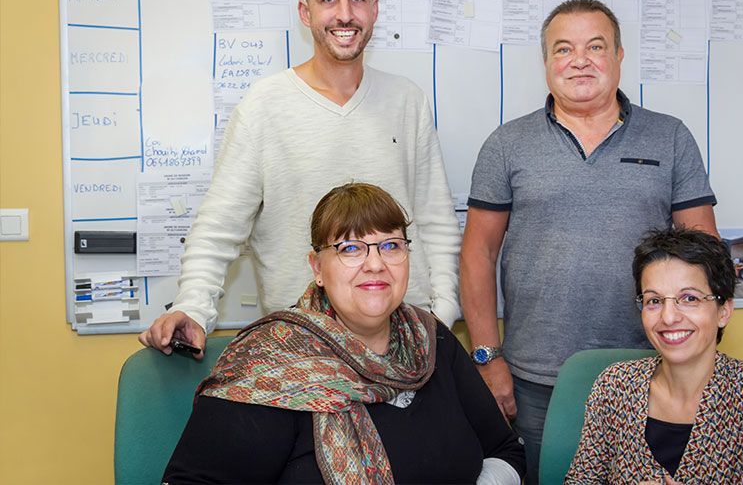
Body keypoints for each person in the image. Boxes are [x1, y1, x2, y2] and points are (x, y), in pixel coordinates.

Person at [140, 0, 460, 358]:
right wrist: (193, 308)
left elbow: (436, 221)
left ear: (375, 10)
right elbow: (219, 227)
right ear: (305, 13)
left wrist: (443, 313)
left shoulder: (407, 101)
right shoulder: (264, 106)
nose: (345, 14)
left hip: (405, 346)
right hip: (302, 350)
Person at [460, 0, 718, 483]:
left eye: (595, 46)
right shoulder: (506, 144)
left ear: (620, 56)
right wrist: (487, 359)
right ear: (546, 63)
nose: (580, 59)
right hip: (536, 381)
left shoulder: (671, 137)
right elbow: (478, 253)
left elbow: (705, 251)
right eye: (564, 48)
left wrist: (698, 355)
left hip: (654, 368)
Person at [162, 183, 525, 484]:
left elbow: (505, 450)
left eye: (391, 245)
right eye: (350, 248)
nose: (376, 263)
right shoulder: (269, 366)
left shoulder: (431, 340)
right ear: (317, 267)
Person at [566, 228, 743, 483]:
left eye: (689, 298)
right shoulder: (614, 386)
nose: (668, 317)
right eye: (653, 300)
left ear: (723, 310)